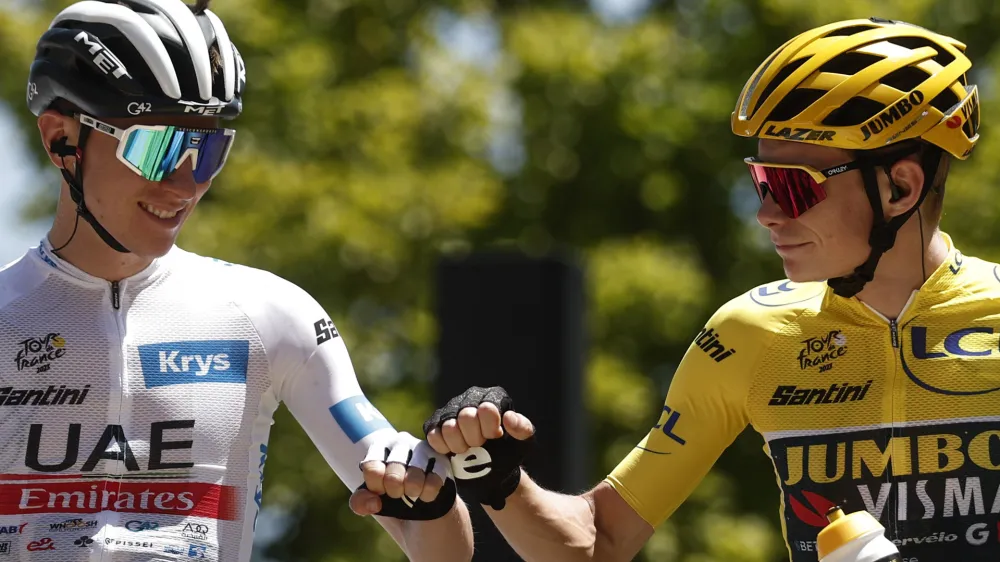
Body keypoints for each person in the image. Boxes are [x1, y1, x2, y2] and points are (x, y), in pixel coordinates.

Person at [421, 17, 997, 562]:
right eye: (760, 180)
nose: (766, 213)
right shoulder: (750, 333)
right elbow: (599, 541)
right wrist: (501, 481)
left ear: (900, 188)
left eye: (793, 187)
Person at [1, 0, 473, 560]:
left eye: (208, 150)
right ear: (61, 139)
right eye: (157, 148)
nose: (185, 184)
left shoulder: (270, 314)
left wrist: (434, 498)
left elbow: (439, 547)